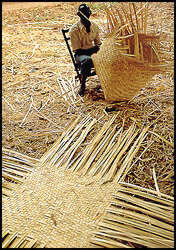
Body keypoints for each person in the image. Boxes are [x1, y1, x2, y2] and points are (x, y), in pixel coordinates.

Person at [69, 4, 102, 96]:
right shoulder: (74, 30)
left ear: (90, 14)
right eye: (83, 14)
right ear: (79, 15)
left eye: (87, 14)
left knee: (108, 54)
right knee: (87, 60)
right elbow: (77, 50)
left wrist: (102, 49)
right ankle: (82, 86)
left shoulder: (94, 26)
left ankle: (107, 81)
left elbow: (98, 43)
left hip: (91, 51)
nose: (85, 16)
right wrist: (93, 51)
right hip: (80, 54)